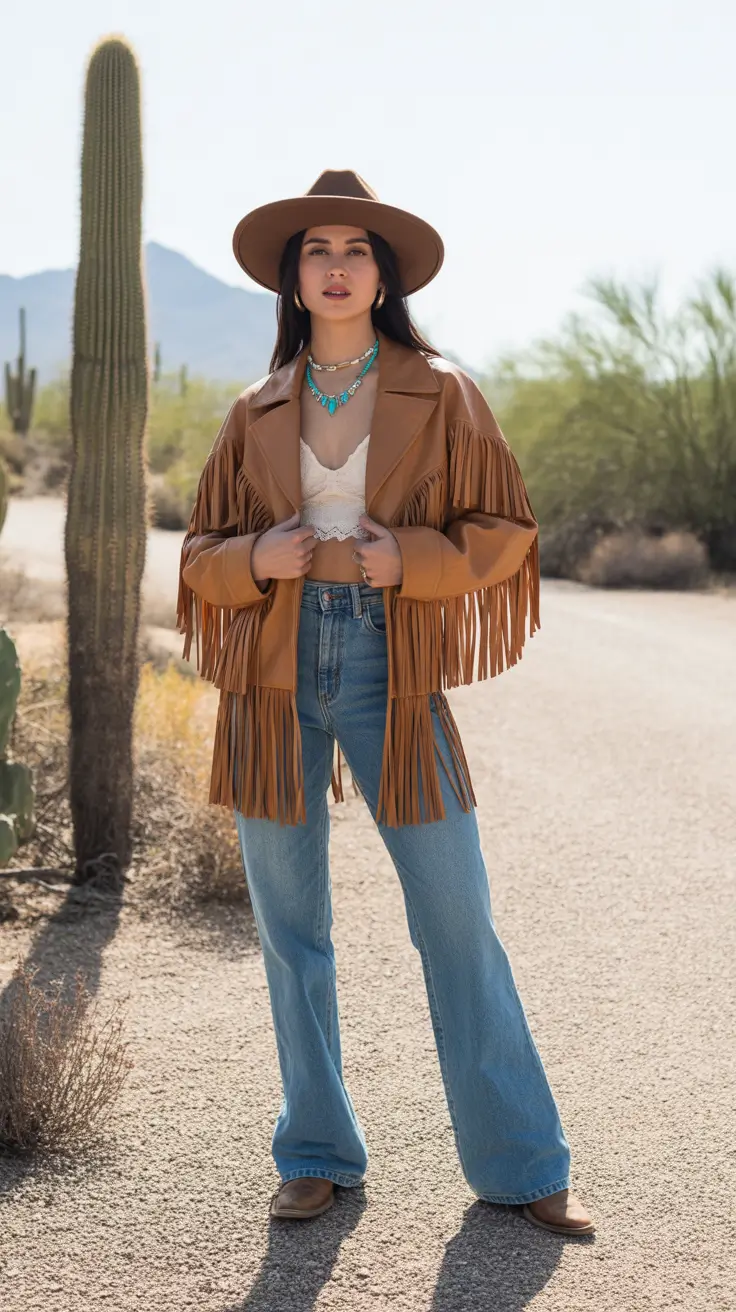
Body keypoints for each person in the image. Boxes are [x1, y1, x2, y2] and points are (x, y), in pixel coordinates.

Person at [176, 170, 595, 1236]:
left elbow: (504, 532)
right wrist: (258, 557)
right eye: (316, 248)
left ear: (383, 272)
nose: (334, 264)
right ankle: (314, 1150)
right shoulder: (253, 407)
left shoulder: (440, 389)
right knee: (290, 928)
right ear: (293, 273)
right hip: (271, 672)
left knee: (456, 916)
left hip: (386, 663)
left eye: (355, 248)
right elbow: (199, 556)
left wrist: (403, 560)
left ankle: (522, 1161)